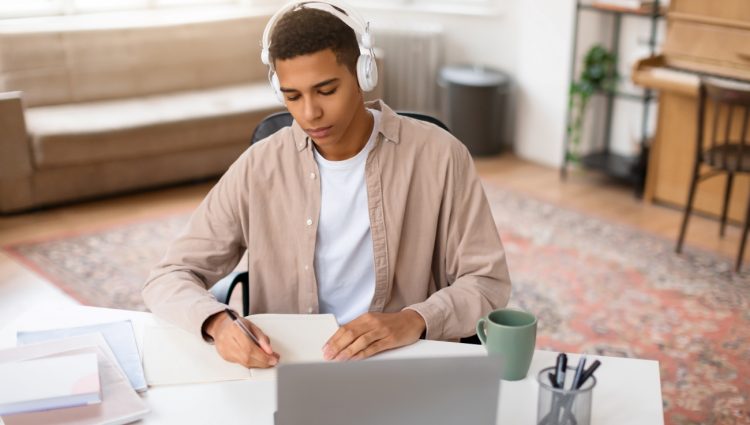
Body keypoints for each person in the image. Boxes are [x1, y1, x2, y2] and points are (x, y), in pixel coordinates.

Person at [142, 0, 511, 369]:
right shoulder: (259, 168)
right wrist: (217, 323)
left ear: (363, 75)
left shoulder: (440, 157)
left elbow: (487, 282)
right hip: (288, 365)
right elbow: (170, 275)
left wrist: (414, 320)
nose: (309, 113)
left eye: (326, 90)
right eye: (292, 96)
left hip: (400, 360)